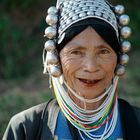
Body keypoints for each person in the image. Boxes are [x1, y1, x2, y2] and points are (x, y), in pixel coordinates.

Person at [3, 0, 140, 140]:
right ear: (57, 58)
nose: (91, 67)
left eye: (103, 51)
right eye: (76, 52)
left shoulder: (137, 123)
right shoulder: (26, 128)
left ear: (118, 58)